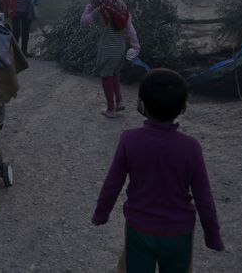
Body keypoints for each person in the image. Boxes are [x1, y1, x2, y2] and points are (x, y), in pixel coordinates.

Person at [92, 68, 224, 272]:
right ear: (183, 108)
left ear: (141, 105)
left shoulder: (129, 140)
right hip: (179, 235)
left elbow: (112, 184)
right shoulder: (191, 147)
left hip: (139, 230)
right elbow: (203, 197)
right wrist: (212, 236)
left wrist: (101, 214)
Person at [81, 0, 140, 118]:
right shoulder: (123, 10)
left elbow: (83, 20)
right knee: (115, 75)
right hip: (120, 49)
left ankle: (110, 109)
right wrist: (136, 47)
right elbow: (131, 30)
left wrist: (89, 5)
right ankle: (119, 102)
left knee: (106, 77)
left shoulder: (100, 11)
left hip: (107, 48)